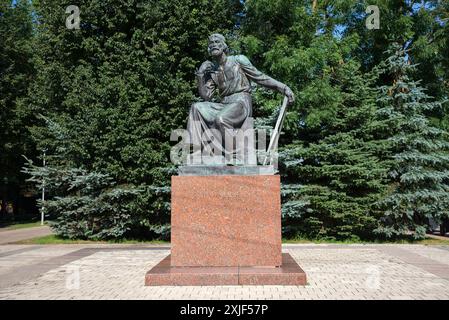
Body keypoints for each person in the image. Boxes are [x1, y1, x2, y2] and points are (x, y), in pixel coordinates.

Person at [187, 33, 294, 164]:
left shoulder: (238, 60)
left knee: (221, 118)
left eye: (217, 42)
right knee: (196, 107)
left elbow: (260, 77)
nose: (214, 44)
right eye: (211, 43)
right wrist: (200, 74)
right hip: (224, 104)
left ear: (224, 45)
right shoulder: (212, 70)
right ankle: (197, 151)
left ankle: (235, 156)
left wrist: (283, 88)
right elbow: (206, 96)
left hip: (241, 102)